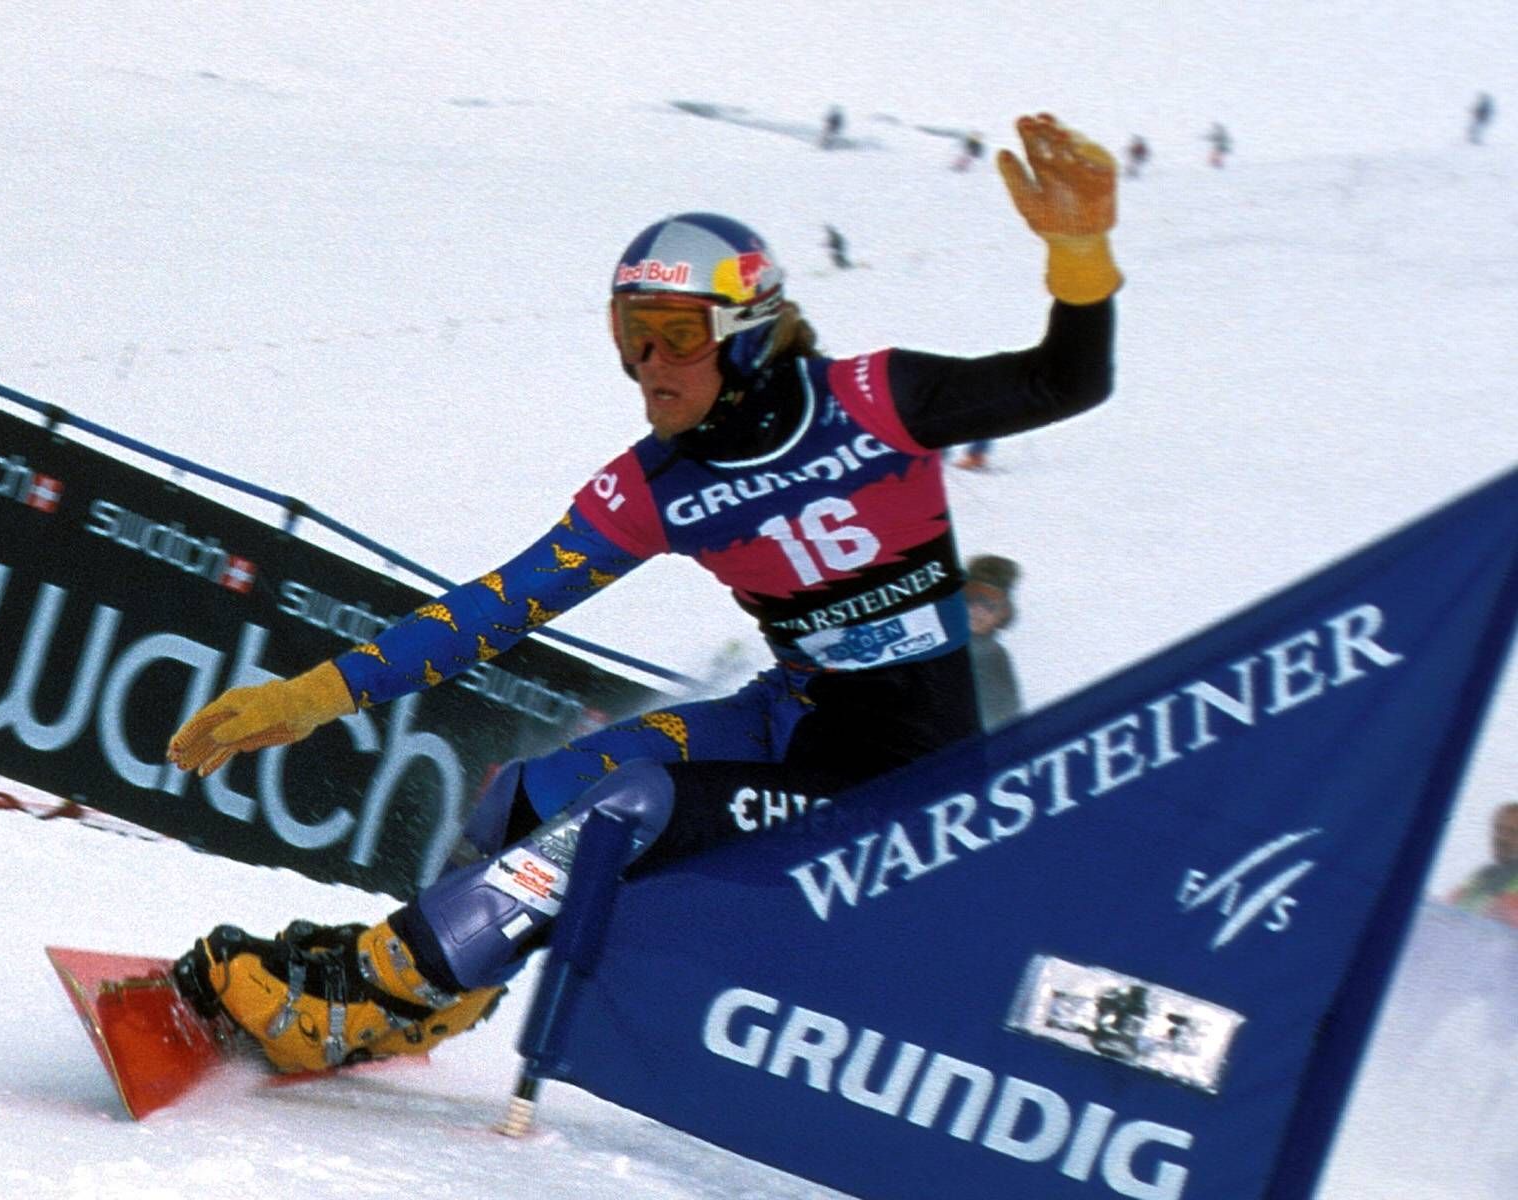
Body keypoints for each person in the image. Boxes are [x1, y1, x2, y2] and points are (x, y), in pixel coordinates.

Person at [163, 112, 1122, 1074]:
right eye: (632, 337)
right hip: (793, 721)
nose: (649, 365)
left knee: (627, 809)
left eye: (674, 335)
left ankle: (375, 989)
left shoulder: (875, 400)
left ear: (748, 336)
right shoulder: (656, 484)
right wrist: (314, 694)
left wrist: (1079, 255)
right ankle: (425, 997)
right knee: (533, 792)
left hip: (901, 788)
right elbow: (500, 605)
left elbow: (1063, 382)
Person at [964, 554, 1022, 730]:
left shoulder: (996, 658)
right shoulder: (932, 644)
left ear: (1003, 613)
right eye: (971, 597)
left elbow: (1006, 725)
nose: (978, 609)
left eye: (990, 603)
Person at [1447, 802, 1518, 928]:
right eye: (1499, 829)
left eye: (1513, 832)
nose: (1502, 838)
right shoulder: (1483, 875)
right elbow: (1449, 908)